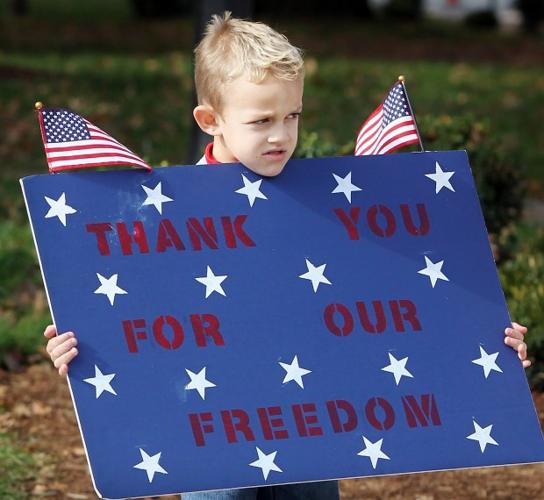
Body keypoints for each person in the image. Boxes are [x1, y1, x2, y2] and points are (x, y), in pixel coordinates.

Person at [43, 11, 531, 500]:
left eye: (291, 116)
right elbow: (136, 314)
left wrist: (484, 338)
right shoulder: (160, 218)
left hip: (310, 421)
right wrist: (78, 343)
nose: (280, 135)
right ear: (210, 120)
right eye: (261, 121)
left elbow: (393, 300)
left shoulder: (330, 209)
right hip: (213, 430)